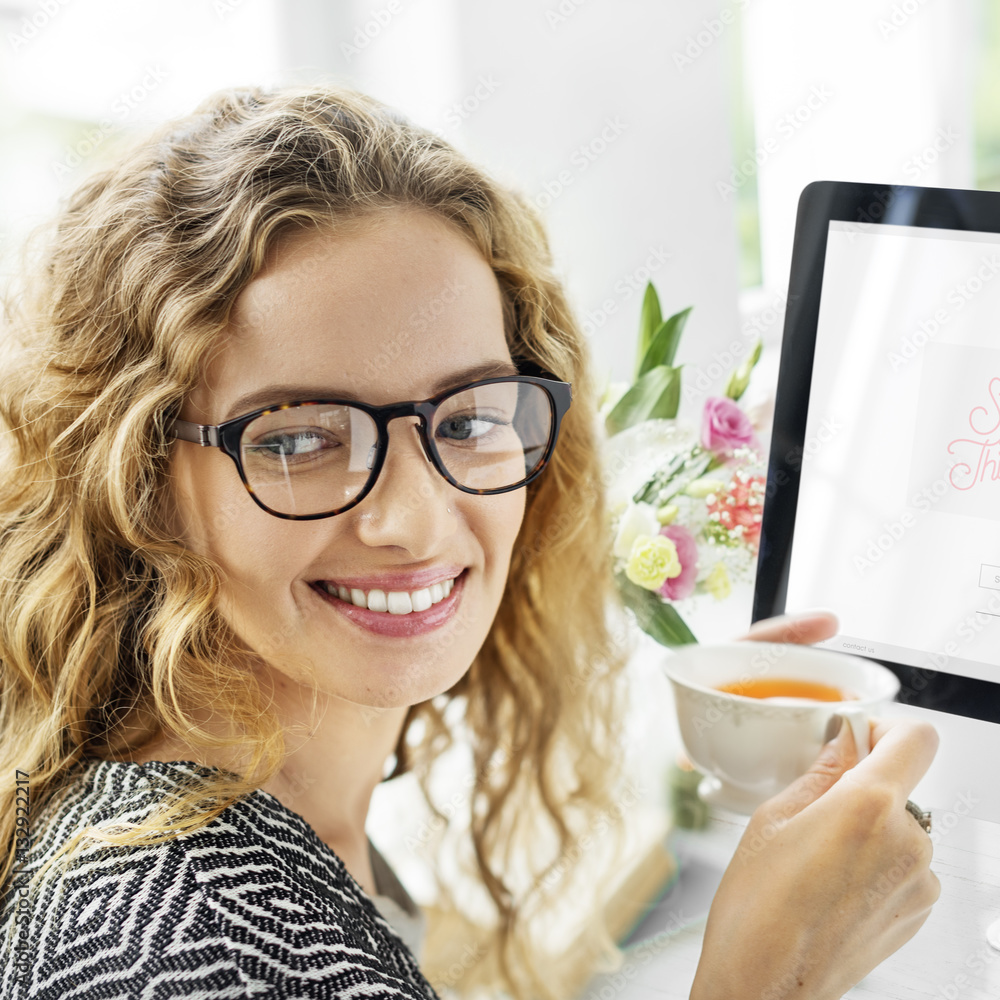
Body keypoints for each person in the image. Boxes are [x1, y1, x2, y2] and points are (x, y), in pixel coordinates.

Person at [0, 84, 940, 1000]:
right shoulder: (180, 943)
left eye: (466, 418)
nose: (415, 521)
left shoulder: (251, 825)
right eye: (295, 438)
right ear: (137, 478)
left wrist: (727, 749)